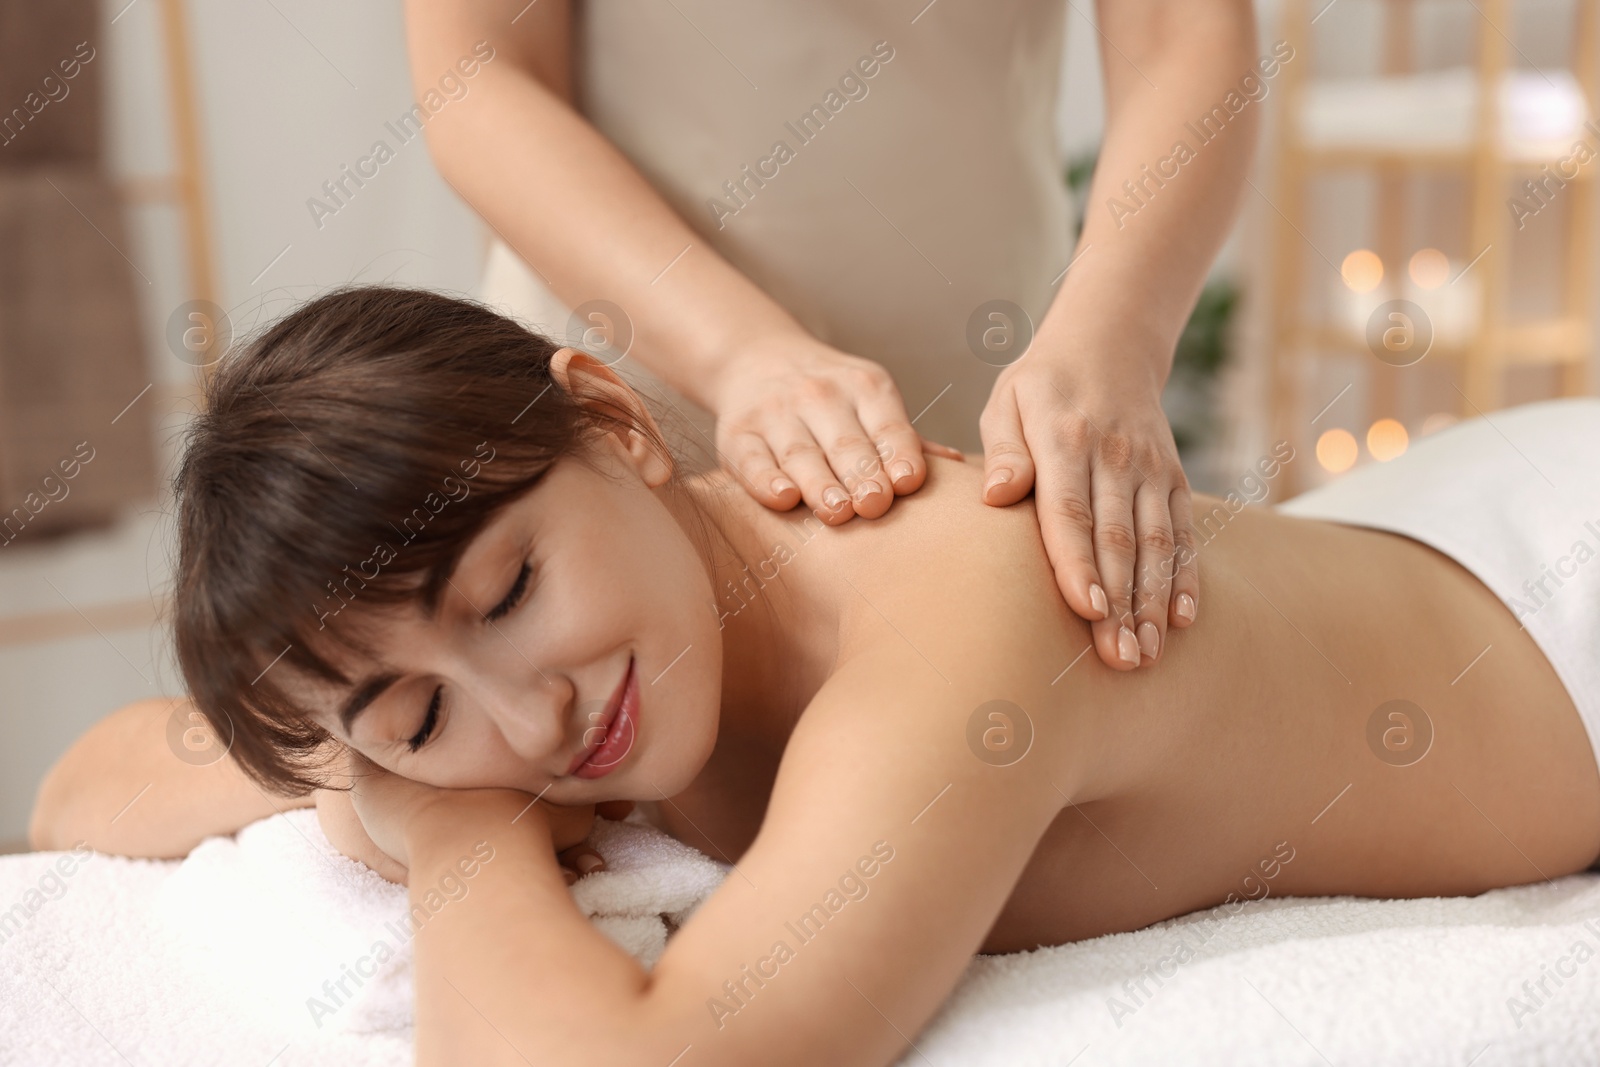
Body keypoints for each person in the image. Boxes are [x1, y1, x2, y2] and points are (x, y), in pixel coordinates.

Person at [32, 290, 1600, 1066]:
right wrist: (389, 758)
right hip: (1385, 546)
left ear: (622, 421)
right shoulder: (530, 684)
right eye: (418, 713)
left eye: (510, 588)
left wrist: (445, 828)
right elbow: (82, 785)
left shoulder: (966, 615)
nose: (534, 722)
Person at [403, 0, 1264, 674]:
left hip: (987, 411)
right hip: (627, 394)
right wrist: (736, 353)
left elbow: (1180, 31)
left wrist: (1116, 341)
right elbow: (478, 70)